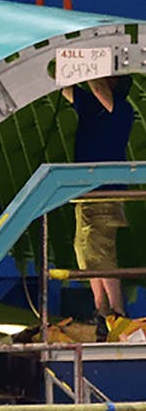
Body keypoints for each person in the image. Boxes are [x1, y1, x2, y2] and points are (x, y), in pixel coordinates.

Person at [65, 76, 135, 324]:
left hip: (106, 191)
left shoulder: (122, 110)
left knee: (101, 250)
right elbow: (67, 89)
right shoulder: (91, 107)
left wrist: (87, 67)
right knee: (86, 252)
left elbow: (97, 87)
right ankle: (101, 311)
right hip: (86, 191)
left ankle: (118, 312)